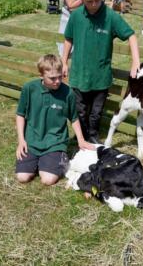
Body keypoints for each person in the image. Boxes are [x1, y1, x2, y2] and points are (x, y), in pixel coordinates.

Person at [61, 0, 140, 144]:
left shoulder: (110, 16)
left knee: (96, 113)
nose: (95, 4)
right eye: (90, 1)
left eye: (98, 0)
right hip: (78, 75)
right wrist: (64, 62)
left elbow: (131, 36)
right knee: (80, 110)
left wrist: (135, 62)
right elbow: (68, 39)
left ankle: (94, 138)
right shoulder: (76, 16)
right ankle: (81, 138)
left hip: (101, 77)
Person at [15, 54, 94, 186]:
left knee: (48, 180)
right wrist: (21, 140)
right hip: (32, 141)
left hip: (54, 142)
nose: (57, 81)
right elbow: (20, 115)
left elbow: (74, 118)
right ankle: (38, 161)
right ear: (41, 75)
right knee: (22, 177)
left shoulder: (67, 92)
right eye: (52, 78)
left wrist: (81, 140)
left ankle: (56, 159)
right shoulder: (29, 89)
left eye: (60, 77)